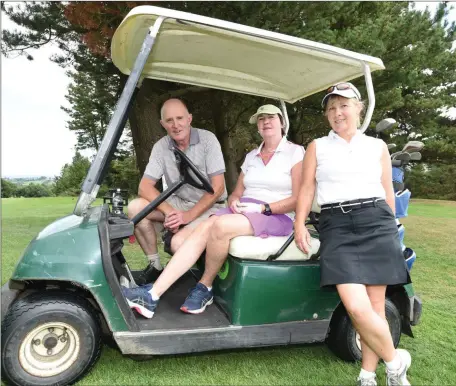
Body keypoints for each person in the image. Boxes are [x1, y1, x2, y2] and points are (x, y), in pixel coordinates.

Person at [122, 104, 305, 317]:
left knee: (218, 224)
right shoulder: (252, 156)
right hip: (245, 210)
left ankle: (205, 286)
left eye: (271, 118)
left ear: (282, 122)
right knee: (192, 234)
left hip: (275, 214)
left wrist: (264, 207)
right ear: (257, 127)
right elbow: (236, 192)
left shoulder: (295, 152)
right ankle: (152, 294)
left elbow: (298, 198)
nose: (266, 122)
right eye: (261, 119)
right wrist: (235, 202)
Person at [294, 83, 412, 386]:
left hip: (377, 223)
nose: (337, 113)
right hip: (337, 225)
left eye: (343, 105)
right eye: (331, 108)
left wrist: (393, 229)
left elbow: (387, 192)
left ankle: (367, 376)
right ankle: (396, 361)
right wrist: (299, 223)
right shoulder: (317, 146)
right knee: (357, 308)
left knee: (375, 307)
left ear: (358, 108)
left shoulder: (377, 147)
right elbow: (307, 188)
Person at [128, 98, 227, 285]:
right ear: (162, 124)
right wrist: (170, 213)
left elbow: (218, 187)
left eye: (180, 118)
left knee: (177, 244)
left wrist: (188, 216)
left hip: (209, 206)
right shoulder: (161, 146)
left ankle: (203, 280)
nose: (176, 125)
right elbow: (144, 186)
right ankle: (155, 266)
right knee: (135, 208)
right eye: (169, 120)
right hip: (178, 202)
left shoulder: (208, 140)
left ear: (189, 119)